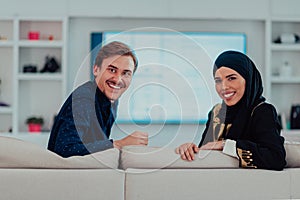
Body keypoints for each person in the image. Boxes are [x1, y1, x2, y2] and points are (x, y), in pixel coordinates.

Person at [176, 50, 286, 170]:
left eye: (231, 78)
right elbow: (207, 150)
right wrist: (191, 149)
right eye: (218, 81)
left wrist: (226, 145)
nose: (224, 87)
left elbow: (276, 158)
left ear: (247, 79)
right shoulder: (216, 112)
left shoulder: (262, 111)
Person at [48, 41, 148, 157]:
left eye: (126, 73)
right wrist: (119, 144)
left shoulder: (111, 99)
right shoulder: (83, 99)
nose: (118, 80)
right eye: (112, 70)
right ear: (96, 70)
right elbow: (65, 149)